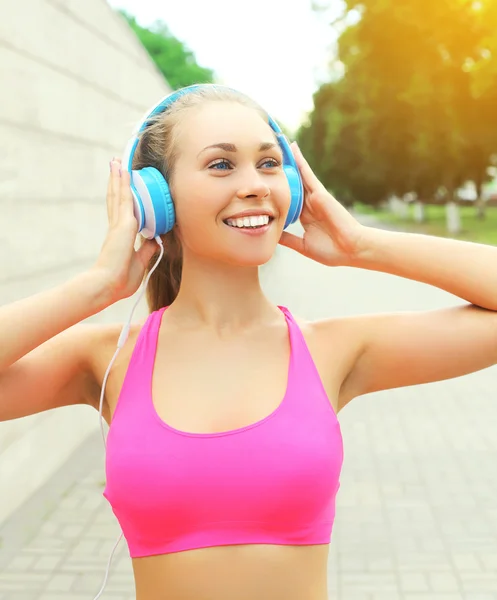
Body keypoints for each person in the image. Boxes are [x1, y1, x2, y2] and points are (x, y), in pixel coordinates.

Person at [1, 84, 497, 600]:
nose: (256, 185)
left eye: (268, 163)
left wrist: (363, 244)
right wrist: (96, 286)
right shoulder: (107, 360)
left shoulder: (333, 351)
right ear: (155, 199)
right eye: (221, 165)